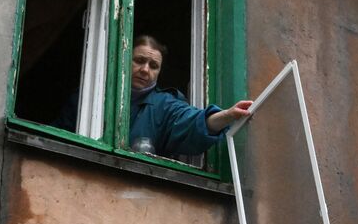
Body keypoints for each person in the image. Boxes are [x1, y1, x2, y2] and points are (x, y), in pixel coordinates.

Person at [53, 34, 252, 158]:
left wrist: (226, 115)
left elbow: (192, 122)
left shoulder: (164, 104)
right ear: (123, 59)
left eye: (153, 65)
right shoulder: (91, 95)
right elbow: (60, 136)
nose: (145, 69)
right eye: (139, 61)